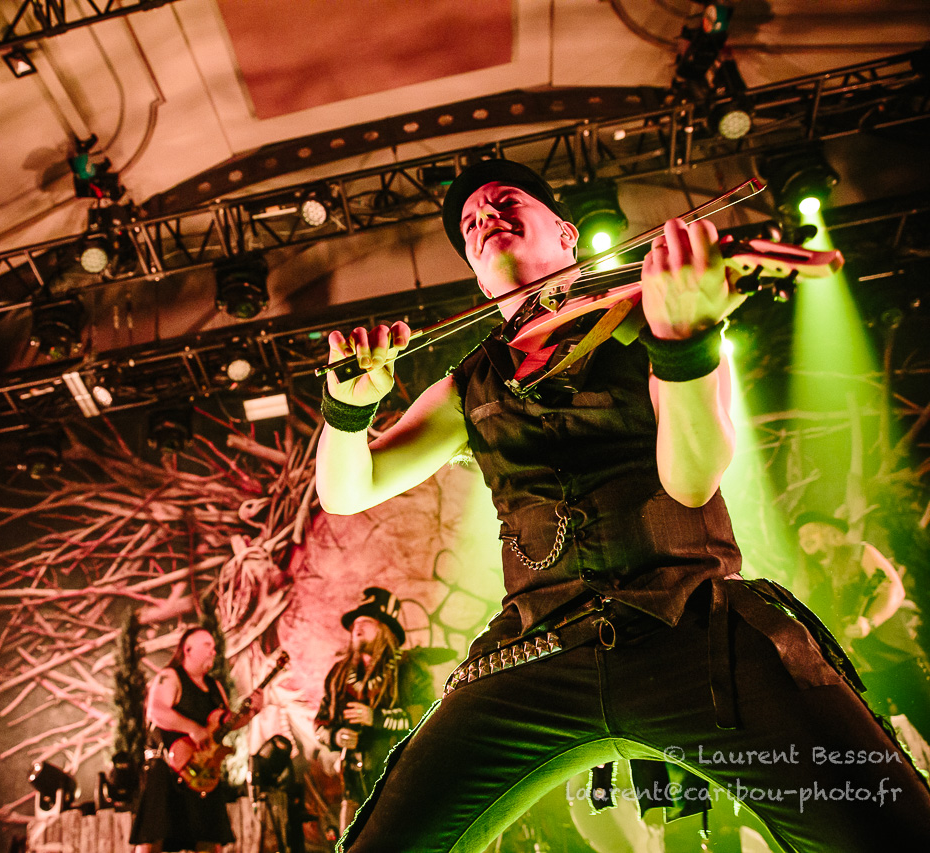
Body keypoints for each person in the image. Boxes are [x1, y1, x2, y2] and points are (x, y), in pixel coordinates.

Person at [313, 158, 930, 852]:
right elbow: (347, 490)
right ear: (479, 280)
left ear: (567, 235)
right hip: (534, 648)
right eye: (471, 222)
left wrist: (683, 343)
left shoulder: (651, 315)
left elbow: (692, 480)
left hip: (692, 629)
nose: (485, 216)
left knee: (890, 829)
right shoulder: (467, 386)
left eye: (506, 201)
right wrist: (346, 410)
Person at [128, 626, 264, 853]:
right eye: (207, 645)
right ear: (188, 649)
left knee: (209, 839)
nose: (213, 651)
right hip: (167, 769)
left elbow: (225, 723)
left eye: (214, 647)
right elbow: (156, 711)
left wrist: (250, 713)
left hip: (203, 772)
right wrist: (192, 729)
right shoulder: (170, 677)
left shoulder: (214, 686)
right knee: (154, 837)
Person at [794, 511, 930, 736]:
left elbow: (894, 589)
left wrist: (870, 622)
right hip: (860, 674)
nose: (804, 538)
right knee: (879, 741)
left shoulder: (859, 553)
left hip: (896, 659)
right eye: (801, 536)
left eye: (810, 531)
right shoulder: (812, 580)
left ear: (829, 532)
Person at [314, 587, 432, 833]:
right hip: (352, 789)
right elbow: (320, 725)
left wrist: (375, 718)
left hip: (397, 785)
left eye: (365, 622)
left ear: (384, 629)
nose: (357, 628)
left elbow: (427, 718)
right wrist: (336, 736)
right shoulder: (338, 675)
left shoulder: (408, 670)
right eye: (354, 624)